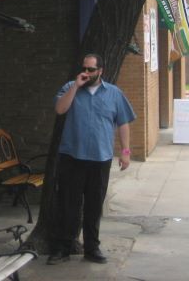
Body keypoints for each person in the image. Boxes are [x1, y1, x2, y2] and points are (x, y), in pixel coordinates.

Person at [47, 54, 136, 266]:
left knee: (94, 206)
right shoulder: (71, 87)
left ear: (101, 71)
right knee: (68, 204)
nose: (86, 73)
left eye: (91, 70)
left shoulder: (114, 93)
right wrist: (75, 87)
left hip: (100, 157)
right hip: (72, 157)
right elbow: (60, 109)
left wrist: (125, 152)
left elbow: (123, 123)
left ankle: (92, 248)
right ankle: (63, 247)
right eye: (84, 68)